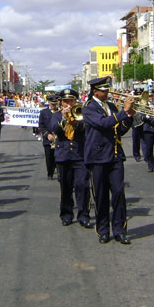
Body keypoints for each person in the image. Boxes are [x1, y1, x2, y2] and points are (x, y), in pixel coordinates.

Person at [82, 76, 135, 245]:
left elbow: (119, 130)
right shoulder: (88, 108)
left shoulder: (112, 106)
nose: (107, 92)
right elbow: (103, 123)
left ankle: (120, 230)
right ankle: (103, 230)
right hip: (97, 157)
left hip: (115, 155)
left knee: (119, 193)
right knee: (101, 195)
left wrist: (129, 117)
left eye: (107, 89)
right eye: (104, 90)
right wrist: (123, 113)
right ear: (95, 91)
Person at [49, 88, 93, 228]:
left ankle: (84, 215)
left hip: (80, 155)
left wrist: (73, 119)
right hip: (64, 155)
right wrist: (64, 117)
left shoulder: (82, 113)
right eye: (66, 101)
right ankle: (66, 214)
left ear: (76, 101)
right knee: (66, 187)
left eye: (71, 100)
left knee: (82, 186)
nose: (68, 103)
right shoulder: (56, 115)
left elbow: (84, 128)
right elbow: (54, 130)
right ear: (61, 102)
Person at [38, 93, 59, 180]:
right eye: (52, 103)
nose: (54, 105)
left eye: (55, 103)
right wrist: (47, 134)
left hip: (58, 138)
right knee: (49, 158)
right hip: (48, 139)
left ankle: (60, 174)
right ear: (49, 102)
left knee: (58, 157)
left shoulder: (60, 111)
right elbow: (41, 125)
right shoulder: (44, 112)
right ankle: (50, 173)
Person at [141, 93, 154, 172]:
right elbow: (141, 117)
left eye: (151, 96)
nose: (150, 98)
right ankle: (150, 165)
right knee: (149, 149)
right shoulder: (143, 106)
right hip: (147, 130)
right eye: (149, 96)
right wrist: (148, 115)